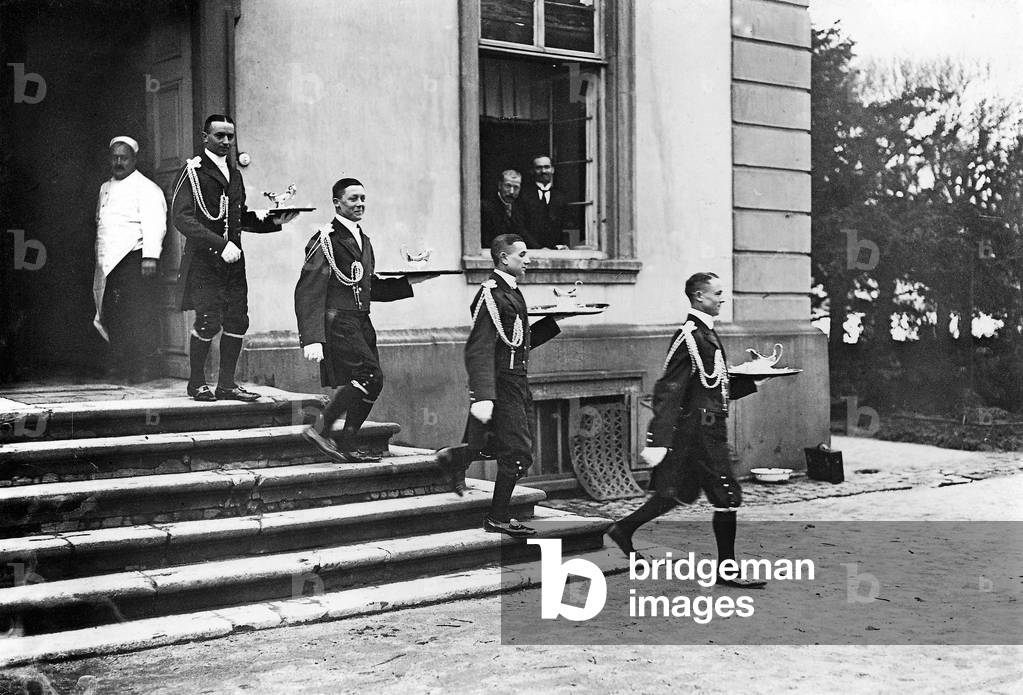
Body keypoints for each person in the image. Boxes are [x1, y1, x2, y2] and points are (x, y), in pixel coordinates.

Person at [606, 272, 768, 588]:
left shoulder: (706, 333)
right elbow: (669, 389)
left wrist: (754, 379)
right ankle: (728, 571)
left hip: (704, 431)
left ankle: (622, 531)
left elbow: (711, 386)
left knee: (675, 494)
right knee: (726, 495)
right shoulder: (690, 336)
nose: (723, 298)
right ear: (698, 296)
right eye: (717, 293)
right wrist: (658, 439)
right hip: (700, 435)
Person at [295, 177, 434, 463]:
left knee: (374, 381)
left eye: (363, 199)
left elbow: (367, 286)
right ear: (337, 203)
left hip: (360, 321)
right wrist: (311, 337)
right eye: (353, 199)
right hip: (338, 322)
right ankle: (321, 430)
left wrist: (411, 282)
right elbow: (308, 289)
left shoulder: (363, 239)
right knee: (370, 376)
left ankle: (341, 441)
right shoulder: (325, 239)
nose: (360, 204)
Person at [435, 234, 562, 537]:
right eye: (522, 254)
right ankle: (498, 517)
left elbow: (517, 341)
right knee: (518, 453)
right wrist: (482, 395)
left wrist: (555, 319)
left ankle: (453, 458)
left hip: (517, 381)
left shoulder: (510, 291)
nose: (528, 260)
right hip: (502, 385)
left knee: (495, 444)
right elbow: (479, 348)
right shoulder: (491, 294)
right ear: (504, 258)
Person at [171, 114, 299, 402]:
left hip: (234, 262)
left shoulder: (234, 173)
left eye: (230, 136)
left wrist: (276, 221)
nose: (226, 142)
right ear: (205, 138)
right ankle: (196, 383)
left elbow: (239, 218)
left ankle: (227, 384)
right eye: (219, 136)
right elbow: (182, 218)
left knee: (237, 320)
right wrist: (219, 244)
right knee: (208, 320)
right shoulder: (192, 172)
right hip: (205, 261)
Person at [92, 136, 167, 382]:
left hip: (133, 259)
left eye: (124, 158)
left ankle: (143, 367)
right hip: (107, 262)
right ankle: (120, 364)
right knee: (113, 313)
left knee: (137, 314)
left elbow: (155, 223)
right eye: (115, 157)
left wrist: (150, 257)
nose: (119, 162)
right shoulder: (105, 187)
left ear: (135, 159)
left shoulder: (146, 188)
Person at [518, 155, 568, 249]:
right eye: (539, 168)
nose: (543, 171)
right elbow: (520, 227)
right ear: (532, 171)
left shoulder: (560, 197)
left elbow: (563, 226)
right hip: (531, 251)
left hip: (555, 251)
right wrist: (538, 248)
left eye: (547, 167)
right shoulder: (523, 195)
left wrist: (561, 246)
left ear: (553, 169)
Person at [479, 169, 528, 248]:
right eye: (508, 186)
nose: (511, 192)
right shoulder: (486, 207)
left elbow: (524, 233)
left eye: (516, 187)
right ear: (500, 185)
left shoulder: (521, 207)